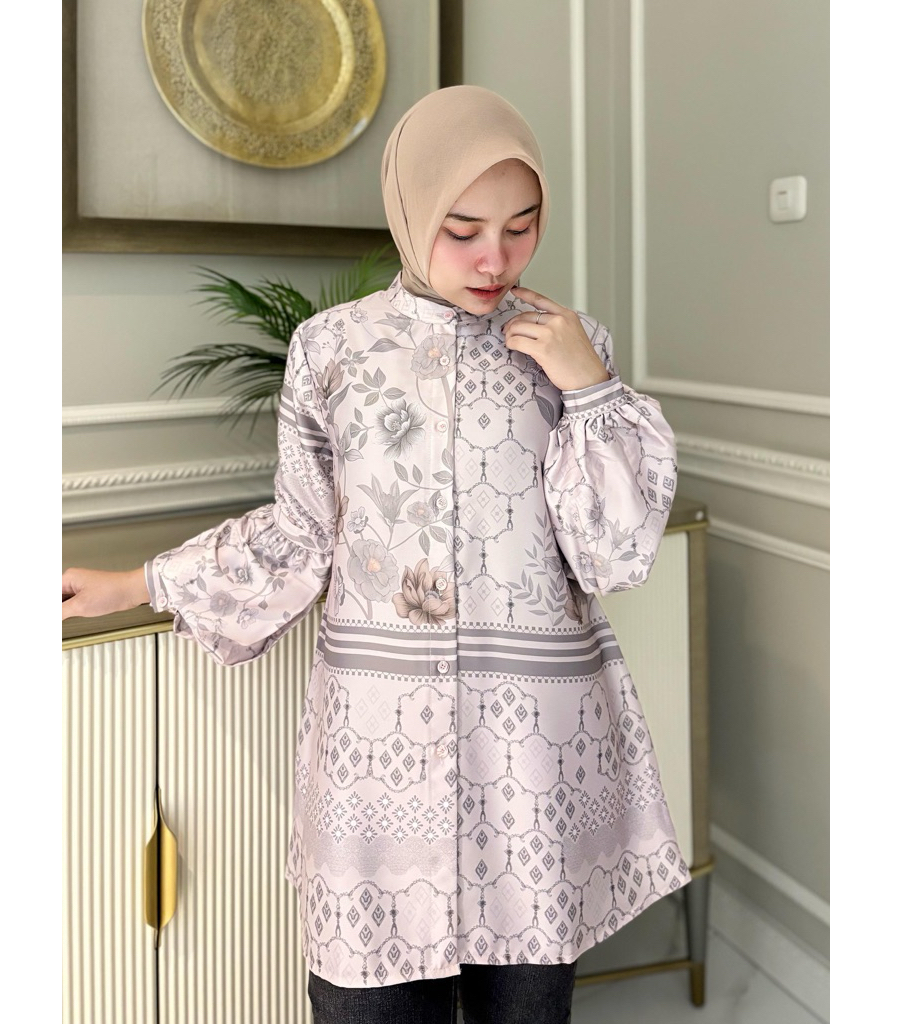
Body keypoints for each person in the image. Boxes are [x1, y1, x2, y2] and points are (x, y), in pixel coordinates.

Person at [62, 85, 690, 1024]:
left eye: (521, 227)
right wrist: (137, 582)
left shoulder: (572, 346)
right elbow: (301, 534)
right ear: (410, 211)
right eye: (462, 229)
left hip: (529, 756)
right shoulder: (331, 350)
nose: (494, 259)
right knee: (368, 1006)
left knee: (527, 1008)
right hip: (378, 755)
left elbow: (615, 554)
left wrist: (591, 388)